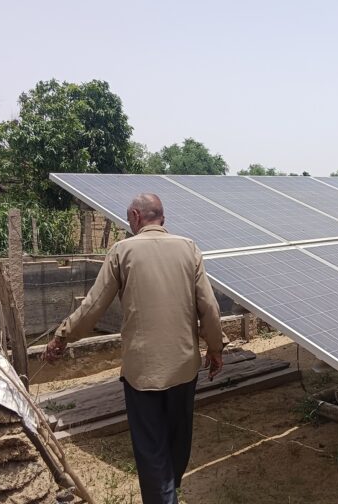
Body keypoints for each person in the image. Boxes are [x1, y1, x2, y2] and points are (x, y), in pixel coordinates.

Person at [42, 193, 227, 503]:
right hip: (184, 368)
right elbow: (209, 306)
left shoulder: (121, 252)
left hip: (143, 375)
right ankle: (169, 489)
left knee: (151, 447)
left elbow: (92, 307)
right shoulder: (189, 249)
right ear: (162, 220)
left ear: (136, 217)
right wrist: (216, 347)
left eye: (129, 219)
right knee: (178, 439)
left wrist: (63, 336)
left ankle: (164, 494)